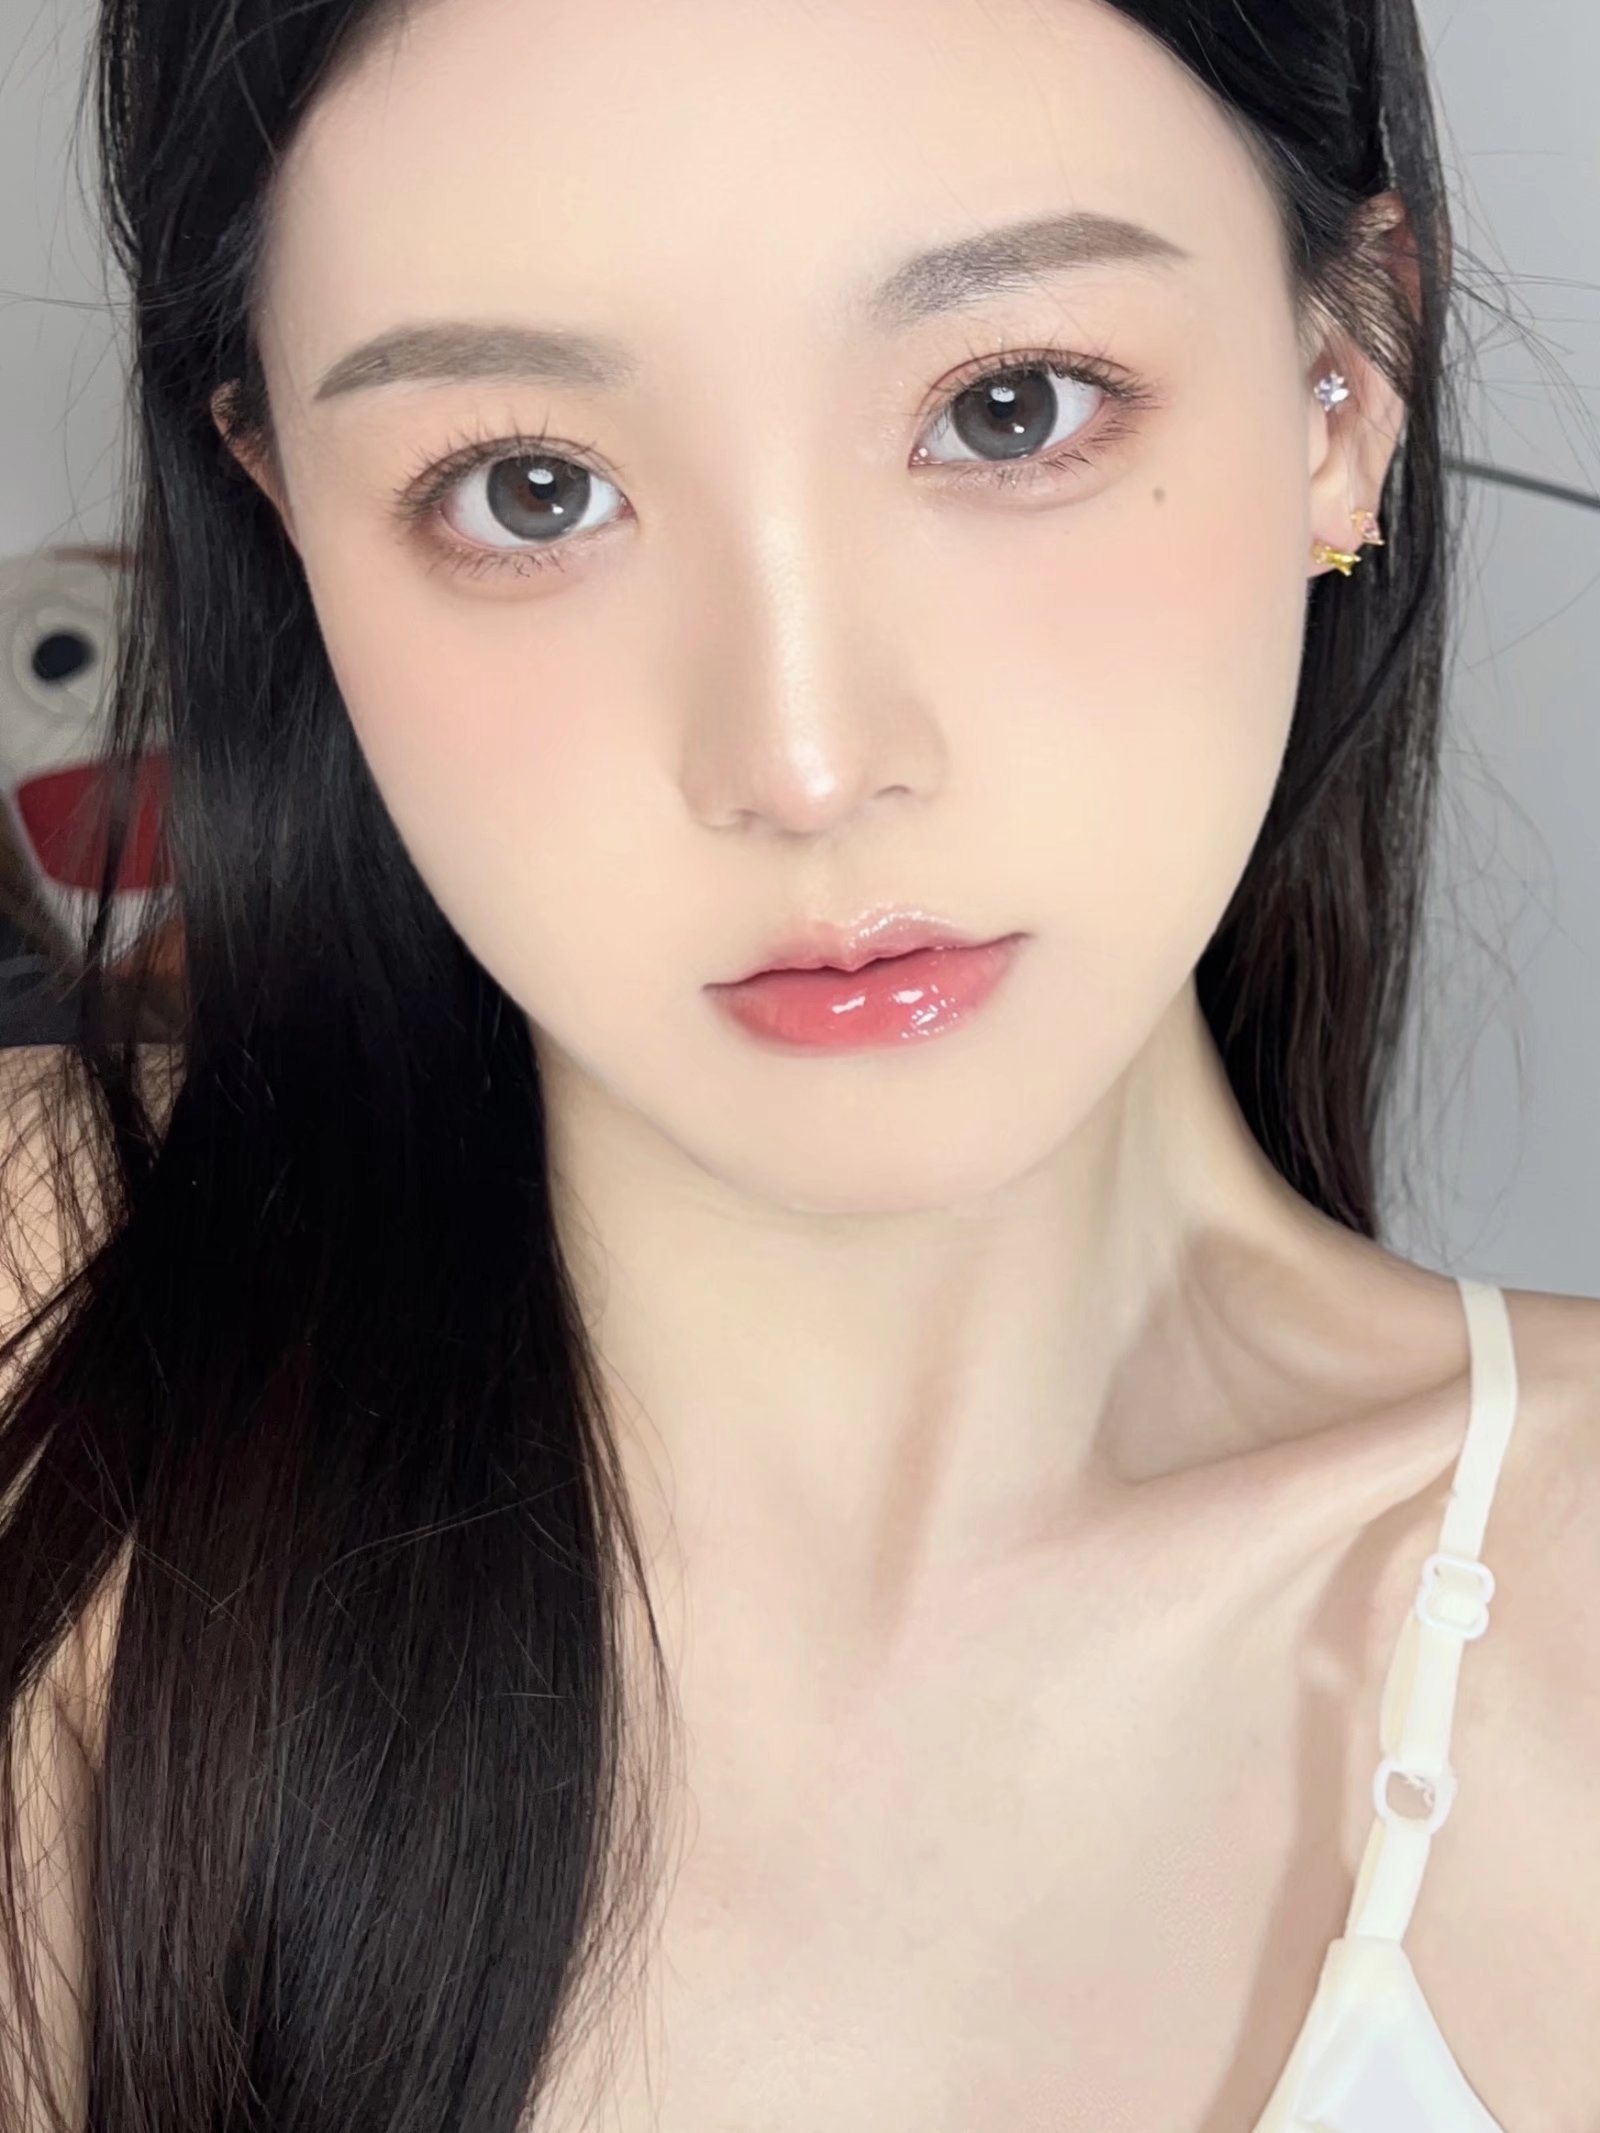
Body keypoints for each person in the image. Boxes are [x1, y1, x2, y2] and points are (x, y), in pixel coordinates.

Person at [0, 0, 1595, 2127]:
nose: (806, 759)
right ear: (284, 501)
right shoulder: (50, 1321)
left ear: (1343, 380)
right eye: (531, 489)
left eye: (1009, 408)